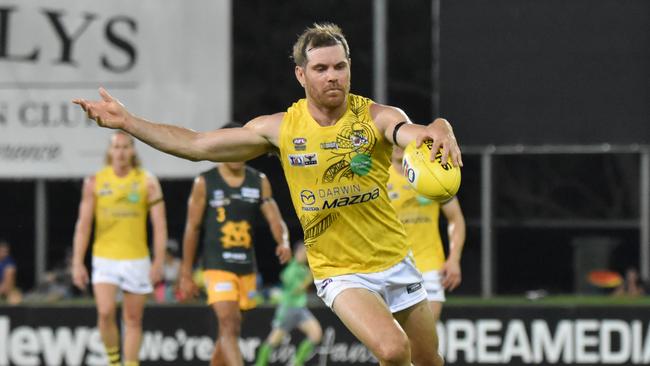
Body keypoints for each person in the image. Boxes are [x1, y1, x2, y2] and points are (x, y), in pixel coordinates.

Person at [73, 22, 462, 366]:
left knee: (428, 360)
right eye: (321, 68)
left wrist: (440, 126)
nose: (332, 77)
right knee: (394, 350)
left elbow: (412, 132)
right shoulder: (280, 130)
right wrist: (129, 121)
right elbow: (197, 144)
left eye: (340, 67)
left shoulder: (375, 117)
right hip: (340, 272)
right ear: (301, 74)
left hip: (395, 259)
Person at [179, 137, 292, 366]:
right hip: (216, 266)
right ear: (221, 149)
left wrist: (284, 242)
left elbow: (274, 218)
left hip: (246, 268)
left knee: (231, 330)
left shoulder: (258, 181)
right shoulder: (205, 182)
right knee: (229, 324)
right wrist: (185, 273)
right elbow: (192, 228)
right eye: (232, 148)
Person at [71, 131, 167, 366]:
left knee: (133, 318)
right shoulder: (94, 181)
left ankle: (131, 363)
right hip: (105, 257)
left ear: (133, 151)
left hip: (136, 258)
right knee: (105, 312)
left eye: (126, 147)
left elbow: (160, 226)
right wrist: (76, 262)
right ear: (109, 151)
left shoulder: (147, 181)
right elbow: (83, 226)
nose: (121, 152)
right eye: (117, 147)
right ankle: (114, 361)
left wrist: (158, 262)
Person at [388, 146, 466, 324]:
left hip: (430, 267)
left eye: (401, 141)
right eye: (392, 141)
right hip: (390, 267)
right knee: (395, 344)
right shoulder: (378, 176)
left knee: (426, 339)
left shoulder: (432, 173)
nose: (398, 146)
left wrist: (454, 259)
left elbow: (456, 218)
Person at [255, 241, 322, 366]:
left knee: (316, 334)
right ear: (296, 253)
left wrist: (310, 276)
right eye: (302, 252)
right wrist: (310, 278)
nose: (305, 255)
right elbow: (295, 290)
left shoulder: (304, 269)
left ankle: (297, 363)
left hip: (300, 310)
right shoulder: (291, 269)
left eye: (306, 253)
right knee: (273, 340)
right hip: (288, 309)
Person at [0, 239, 22, 304]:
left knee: (14, 299)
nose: (4, 253)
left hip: (7, 290)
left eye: (6, 251)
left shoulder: (9, 262)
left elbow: (8, 281)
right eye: (2, 251)